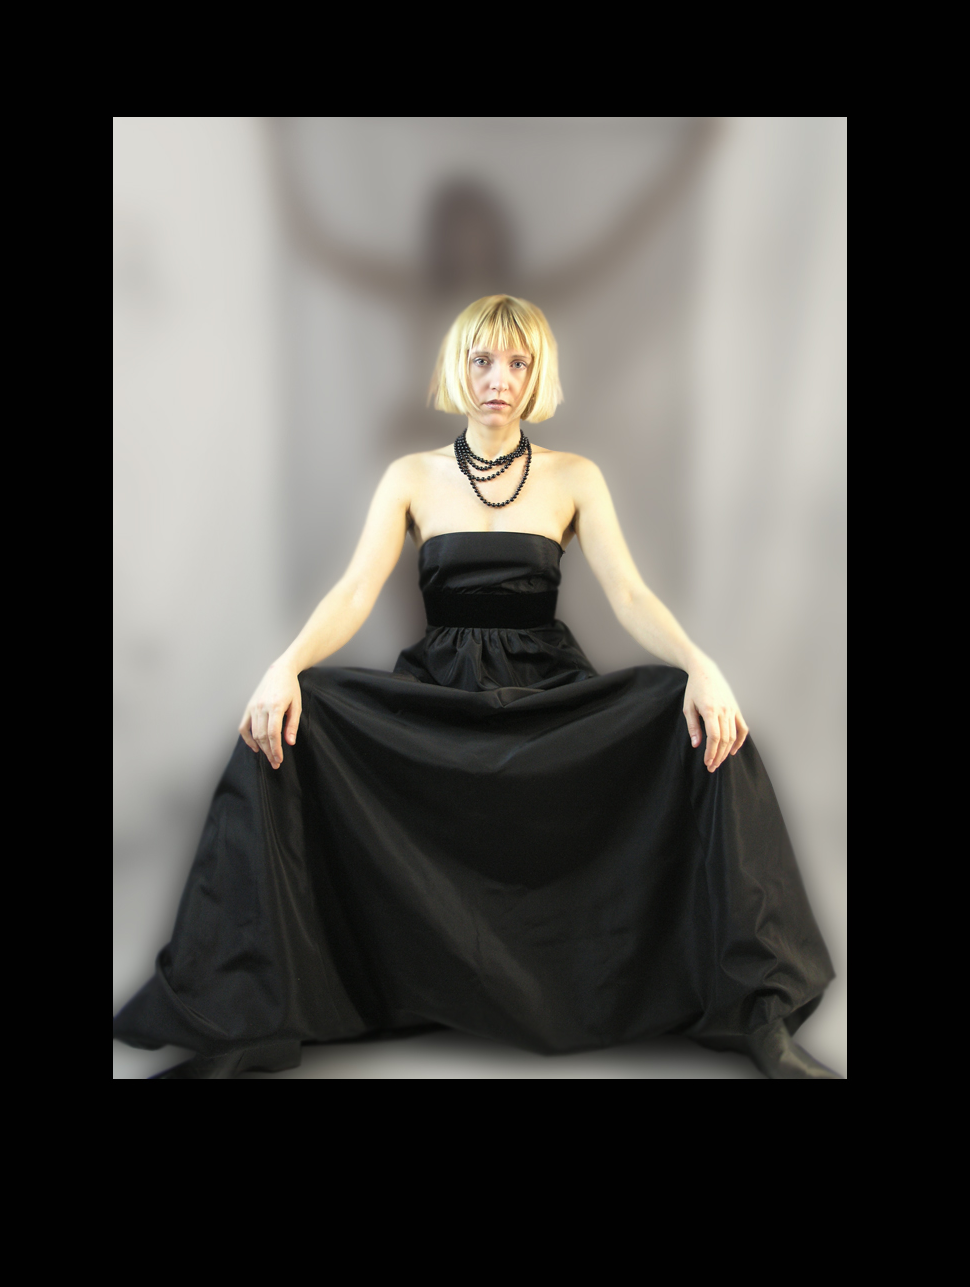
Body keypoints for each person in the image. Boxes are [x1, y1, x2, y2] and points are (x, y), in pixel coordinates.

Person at [113, 294, 840, 1079]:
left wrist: (705, 666)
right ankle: (246, 1018)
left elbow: (629, 594)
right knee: (291, 723)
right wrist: (281, 667)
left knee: (702, 722)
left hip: (546, 700)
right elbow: (355, 592)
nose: (500, 380)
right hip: (442, 700)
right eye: (483, 360)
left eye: (518, 363)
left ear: (538, 375)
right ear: (457, 368)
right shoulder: (411, 476)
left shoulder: (574, 476)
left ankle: (756, 1014)